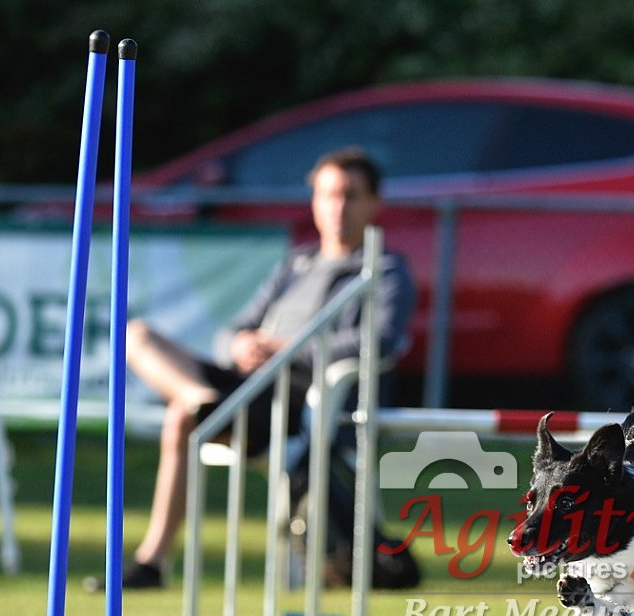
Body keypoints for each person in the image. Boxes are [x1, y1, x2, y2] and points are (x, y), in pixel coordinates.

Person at [90, 146, 418, 591]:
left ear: (374, 202)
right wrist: (241, 344)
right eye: (328, 195)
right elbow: (231, 332)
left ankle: (152, 562)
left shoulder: (386, 269)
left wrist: (288, 348)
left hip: (301, 400)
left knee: (181, 418)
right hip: (246, 382)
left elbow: (380, 341)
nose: (338, 207)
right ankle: (205, 402)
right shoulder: (297, 264)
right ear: (314, 201)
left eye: (350, 195)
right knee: (137, 335)